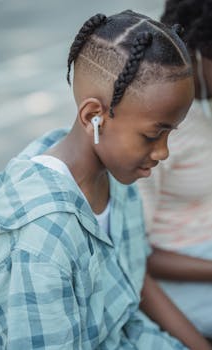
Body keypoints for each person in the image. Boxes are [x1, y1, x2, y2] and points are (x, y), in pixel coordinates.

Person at [0, 9, 209, 350]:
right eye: (152, 136)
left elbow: (131, 288)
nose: (163, 153)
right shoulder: (41, 242)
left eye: (169, 135)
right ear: (93, 117)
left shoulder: (118, 177)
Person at [137, 0, 212, 339]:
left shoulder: (206, 104)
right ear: (197, 50)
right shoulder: (160, 123)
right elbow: (137, 257)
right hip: (185, 276)